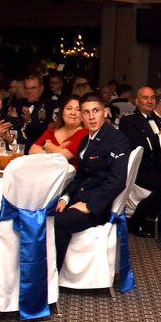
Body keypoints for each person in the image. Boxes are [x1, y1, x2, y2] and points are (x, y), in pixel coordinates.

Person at [53, 94, 130, 268]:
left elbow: (117, 181)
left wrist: (89, 205)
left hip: (99, 207)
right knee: (41, 212)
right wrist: (65, 198)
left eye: (96, 111)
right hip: (81, 197)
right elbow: (81, 176)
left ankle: (50, 279)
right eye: (86, 112)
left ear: (105, 111)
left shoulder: (117, 140)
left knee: (59, 222)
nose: (92, 117)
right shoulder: (84, 140)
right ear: (81, 116)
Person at [118, 86, 161, 237]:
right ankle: (137, 220)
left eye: (153, 98)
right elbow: (138, 146)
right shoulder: (128, 121)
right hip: (141, 168)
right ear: (137, 101)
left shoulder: (158, 119)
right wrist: (160, 135)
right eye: (145, 98)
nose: (150, 101)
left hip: (158, 165)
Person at [29, 96, 85, 162]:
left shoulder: (84, 133)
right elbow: (32, 151)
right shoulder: (52, 129)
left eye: (78, 110)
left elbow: (62, 156)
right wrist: (58, 149)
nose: (73, 113)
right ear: (62, 112)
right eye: (69, 108)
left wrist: (47, 145)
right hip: (47, 170)